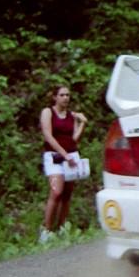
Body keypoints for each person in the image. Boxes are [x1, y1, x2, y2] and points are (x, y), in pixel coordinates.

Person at [40, 85, 87, 242]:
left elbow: (74, 139)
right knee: (56, 191)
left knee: (67, 194)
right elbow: (48, 135)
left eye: (67, 95)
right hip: (54, 156)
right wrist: (64, 154)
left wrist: (82, 124)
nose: (65, 98)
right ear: (55, 97)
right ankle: (46, 229)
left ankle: (61, 227)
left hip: (70, 156)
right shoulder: (48, 112)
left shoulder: (71, 116)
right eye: (62, 95)